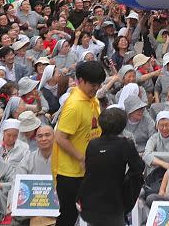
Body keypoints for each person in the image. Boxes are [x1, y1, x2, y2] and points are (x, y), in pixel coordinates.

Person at [53, 60, 105, 226]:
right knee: (68, 215)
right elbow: (60, 137)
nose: (96, 88)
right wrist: (81, 158)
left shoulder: (93, 100)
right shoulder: (74, 105)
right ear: (80, 80)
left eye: (99, 84)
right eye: (92, 84)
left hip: (87, 169)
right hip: (70, 173)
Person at [79, 107, 144, 226]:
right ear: (122, 125)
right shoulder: (125, 144)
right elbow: (139, 167)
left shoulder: (92, 144)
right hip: (115, 198)